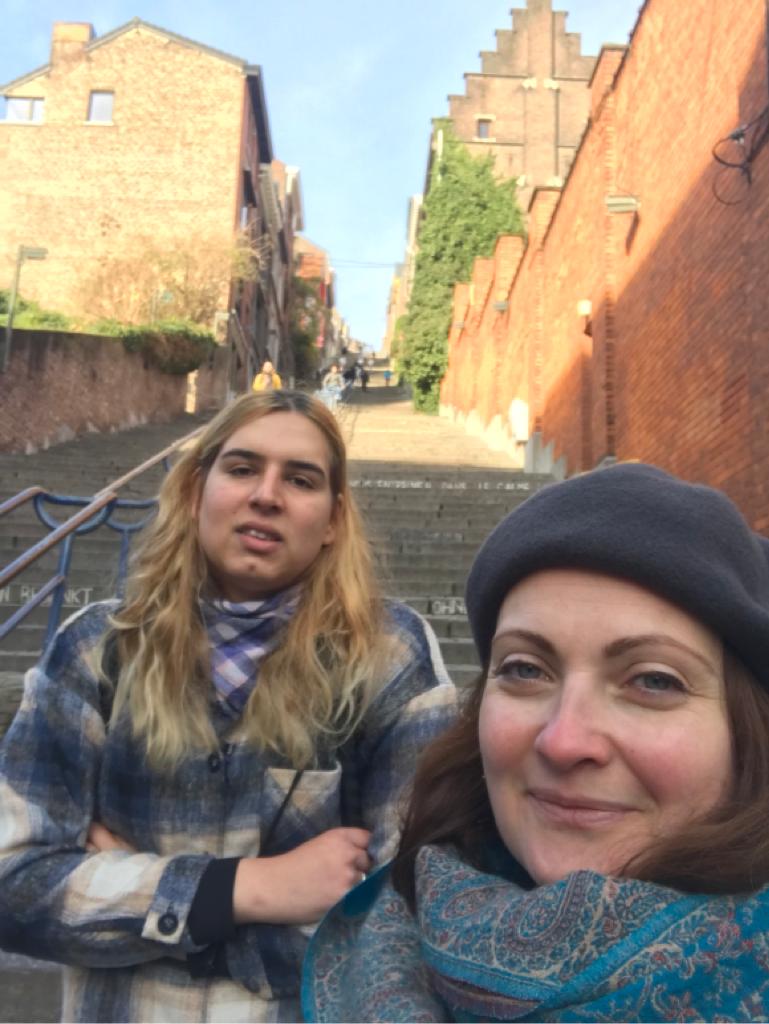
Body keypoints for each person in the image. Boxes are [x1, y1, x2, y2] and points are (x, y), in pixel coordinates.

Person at [0, 390, 455, 1022]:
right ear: (195, 492)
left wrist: (125, 886)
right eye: (242, 468)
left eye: (300, 479)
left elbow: (414, 909)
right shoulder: (96, 650)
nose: (267, 495)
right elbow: (14, 885)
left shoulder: (389, 657)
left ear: (332, 520)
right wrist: (248, 889)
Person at [304, 463, 769, 1022]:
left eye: (653, 680)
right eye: (525, 669)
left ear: (748, 731)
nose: (563, 741)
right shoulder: (399, 917)